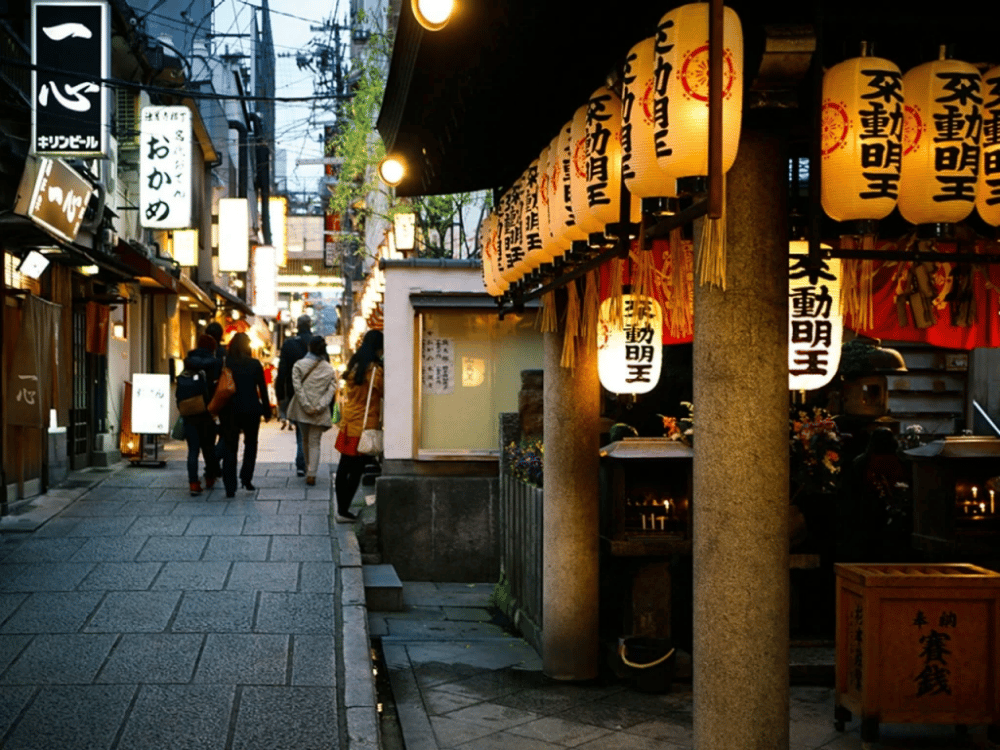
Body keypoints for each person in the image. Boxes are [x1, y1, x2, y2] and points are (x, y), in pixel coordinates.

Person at [334, 329, 383, 522]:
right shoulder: (375, 371)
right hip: (364, 425)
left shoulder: (355, 365)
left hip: (349, 422)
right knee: (356, 470)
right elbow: (387, 391)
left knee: (344, 467)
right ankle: (343, 511)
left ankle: (341, 509)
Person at [218, 332, 272, 497]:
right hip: (251, 409)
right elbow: (262, 389)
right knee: (251, 444)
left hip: (230, 409)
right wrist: (267, 410)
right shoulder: (255, 364)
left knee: (230, 446)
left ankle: (230, 486)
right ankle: (246, 478)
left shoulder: (227, 363)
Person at [287, 336, 338, 487]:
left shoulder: (299, 365)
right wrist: (321, 405)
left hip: (302, 410)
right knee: (315, 442)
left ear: (309, 347)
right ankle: (312, 473)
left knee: (305, 439)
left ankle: (308, 468)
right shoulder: (328, 368)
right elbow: (332, 389)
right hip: (319, 411)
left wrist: (306, 405)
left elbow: (297, 388)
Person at [181, 334, 222, 495]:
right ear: (212, 347)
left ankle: (193, 483)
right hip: (207, 410)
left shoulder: (188, 361)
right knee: (208, 448)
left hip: (190, 409)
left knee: (193, 449)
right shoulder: (215, 363)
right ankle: (210, 478)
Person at [276, 314, 313, 476]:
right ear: (310, 325)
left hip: (295, 392)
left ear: (297, 326)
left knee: (300, 427)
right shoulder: (317, 342)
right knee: (312, 429)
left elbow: (282, 371)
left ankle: (301, 462)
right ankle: (308, 462)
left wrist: (280, 394)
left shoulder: (289, 344)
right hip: (314, 391)